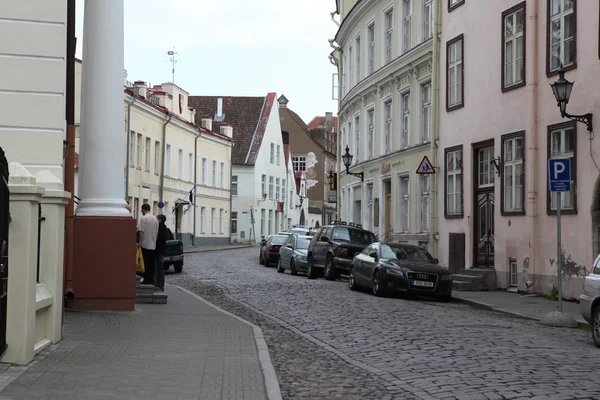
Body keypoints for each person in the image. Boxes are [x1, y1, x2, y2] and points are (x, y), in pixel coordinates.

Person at [138, 204, 159, 286]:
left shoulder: (143, 218)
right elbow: (157, 232)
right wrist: (154, 241)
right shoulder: (155, 219)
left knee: (145, 263)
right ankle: (151, 279)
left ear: (143, 209)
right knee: (152, 263)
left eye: (141, 210)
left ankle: (146, 279)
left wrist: (140, 242)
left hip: (145, 244)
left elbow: (141, 231)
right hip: (153, 244)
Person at [155, 214, 173, 291]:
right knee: (160, 268)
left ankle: (159, 285)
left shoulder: (159, 227)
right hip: (162, 251)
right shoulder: (165, 228)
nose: (156, 220)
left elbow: (158, 239)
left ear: (160, 220)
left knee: (159, 268)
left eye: (157, 219)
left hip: (158, 251)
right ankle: (161, 285)